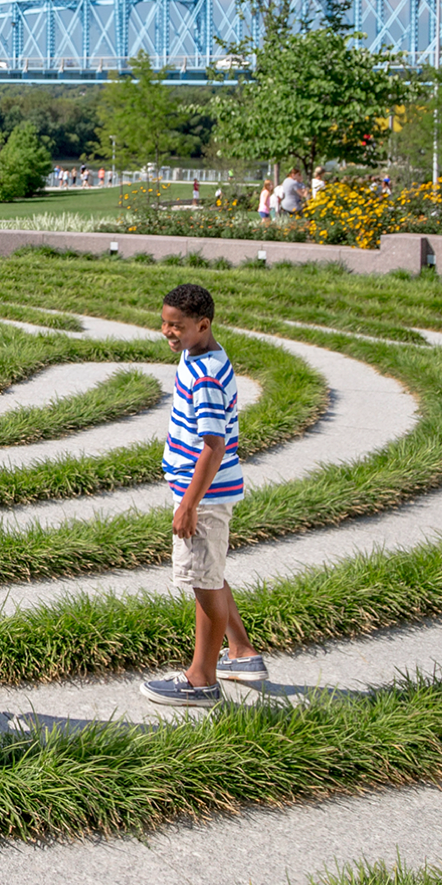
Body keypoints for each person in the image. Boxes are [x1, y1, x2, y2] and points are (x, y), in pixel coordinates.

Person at [140, 284, 264, 708]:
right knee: (211, 573)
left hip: (205, 495)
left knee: (202, 582)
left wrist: (189, 504)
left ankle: (201, 681)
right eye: (164, 323)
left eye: (176, 326)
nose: (167, 332)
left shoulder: (205, 374)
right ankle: (242, 654)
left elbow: (214, 444)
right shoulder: (198, 353)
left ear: (203, 325)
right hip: (206, 490)